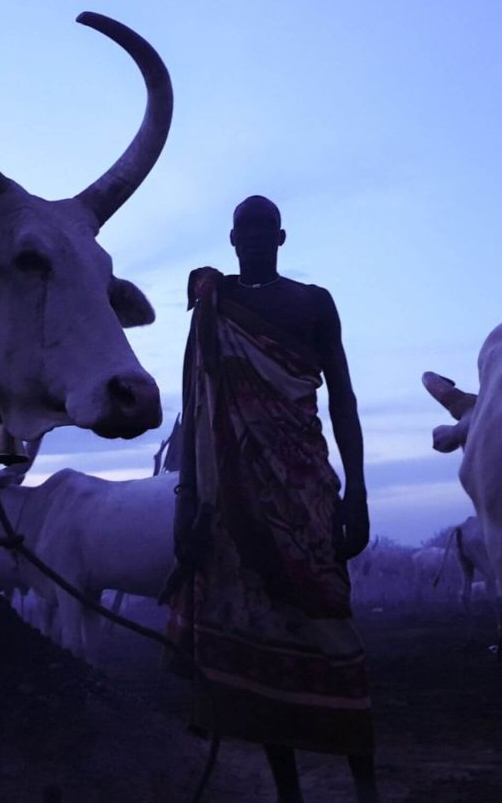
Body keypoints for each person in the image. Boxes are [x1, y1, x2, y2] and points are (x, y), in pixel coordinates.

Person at [162, 195, 377, 803]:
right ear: (232, 240)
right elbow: (196, 410)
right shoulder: (211, 308)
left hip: (306, 488)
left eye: (264, 234)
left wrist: (357, 491)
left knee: (334, 629)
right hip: (231, 510)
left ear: (281, 238)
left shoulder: (313, 303)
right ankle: (289, 795)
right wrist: (187, 502)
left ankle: (367, 788)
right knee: (254, 660)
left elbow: (343, 400)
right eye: (243, 234)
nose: (253, 243)